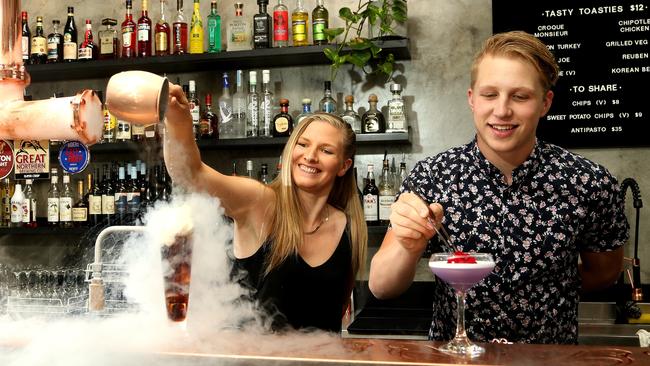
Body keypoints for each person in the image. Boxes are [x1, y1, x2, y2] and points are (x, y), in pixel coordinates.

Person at [368, 31, 629, 344]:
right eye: (490, 94)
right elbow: (382, 286)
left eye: (520, 96)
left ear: (545, 103)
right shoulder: (433, 176)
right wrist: (409, 247)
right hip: (459, 362)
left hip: (549, 362)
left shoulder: (589, 182)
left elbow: (604, 272)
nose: (502, 110)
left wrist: (545, 293)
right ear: (472, 99)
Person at [163, 88, 367, 333]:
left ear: (344, 166)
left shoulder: (349, 226)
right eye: (303, 144)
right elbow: (191, 175)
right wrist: (176, 119)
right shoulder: (261, 203)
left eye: (326, 150)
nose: (310, 156)